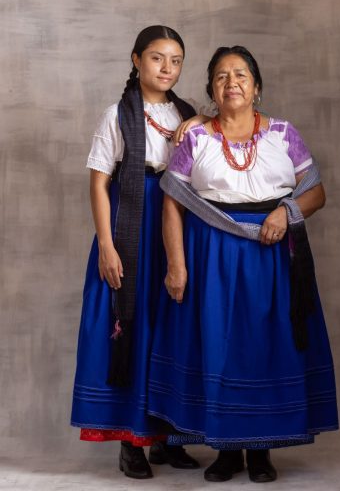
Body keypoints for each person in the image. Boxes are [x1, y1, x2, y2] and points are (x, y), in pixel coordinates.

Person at [147, 46, 339, 483]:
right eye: (221, 76)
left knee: (265, 349)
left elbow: (316, 192)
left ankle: (262, 451)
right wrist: (176, 265)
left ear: (256, 86)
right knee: (220, 348)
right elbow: (172, 203)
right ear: (211, 90)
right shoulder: (195, 138)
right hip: (211, 256)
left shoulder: (284, 134)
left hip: (272, 259)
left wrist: (286, 212)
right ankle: (227, 451)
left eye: (240, 75)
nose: (231, 82)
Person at [71, 25, 207, 479]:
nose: (167, 68)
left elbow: (216, 141)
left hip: (176, 223)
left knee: (172, 325)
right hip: (130, 224)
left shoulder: (187, 112)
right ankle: (131, 441)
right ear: (136, 60)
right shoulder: (117, 114)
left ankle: (167, 439)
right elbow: (98, 184)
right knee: (134, 323)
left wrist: (199, 123)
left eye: (176, 61)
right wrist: (107, 246)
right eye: (157, 58)